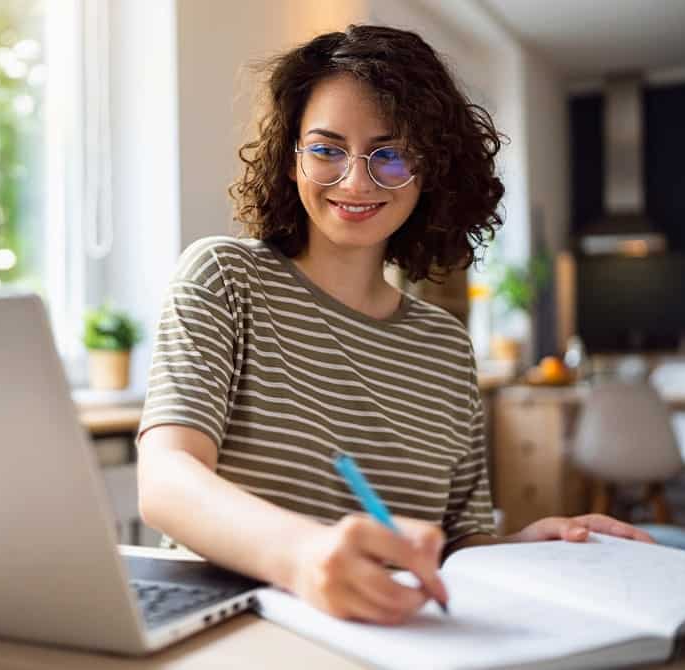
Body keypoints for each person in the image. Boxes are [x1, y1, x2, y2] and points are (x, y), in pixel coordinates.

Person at [135, 24, 651, 625]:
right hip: (236, 629)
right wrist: (303, 556)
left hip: (391, 633)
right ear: (291, 156)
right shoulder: (224, 276)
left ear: (431, 169)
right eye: (327, 149)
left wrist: (529, 548)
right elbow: (167, 480)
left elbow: (459, 544)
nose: (355, 181)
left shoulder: (445, 346)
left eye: (391, 154)